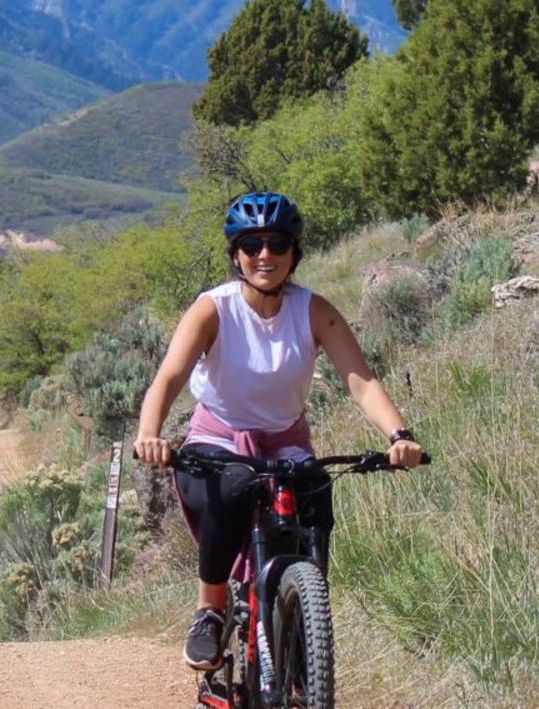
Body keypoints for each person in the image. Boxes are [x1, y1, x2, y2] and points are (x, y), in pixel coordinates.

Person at [133, 192, 424, 670]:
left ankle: (302, 626)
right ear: (236, 255)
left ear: (294, 253)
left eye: (277, 244)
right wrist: (151, 432)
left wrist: (399, 436)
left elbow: (362, 381)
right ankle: (210, 609)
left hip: (287, 442)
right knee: (230, 492)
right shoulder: (214, 309)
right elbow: (169, 377)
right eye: (252, 245)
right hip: (219, 438)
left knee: (315, 498)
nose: (264, 255)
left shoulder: (313, 311)